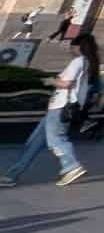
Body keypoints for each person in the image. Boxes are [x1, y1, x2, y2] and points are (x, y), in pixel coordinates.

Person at [2, 33, 94, 187]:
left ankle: (71, 165)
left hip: (60, 108)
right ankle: (12, 175)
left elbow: (65, 83)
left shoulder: (78, 61)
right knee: (33, 143)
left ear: (79, 47)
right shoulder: (88, 63)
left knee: (56, 140)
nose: (71, 49)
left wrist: (51, 80)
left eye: (73, 46)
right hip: (59, 108)